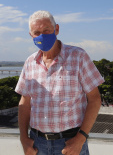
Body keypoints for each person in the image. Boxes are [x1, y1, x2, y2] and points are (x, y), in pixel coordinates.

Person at [15, 10, 104, 155]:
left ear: (56, 29)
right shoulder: (30, 62)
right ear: (31, 35)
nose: (42, 36)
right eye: (36, 32)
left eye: (46, 30)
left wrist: (80, 139)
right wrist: (24, 139)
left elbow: (95, 99)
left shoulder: (78, 56)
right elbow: (24, 103)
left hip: (70, 142)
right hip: (37, 144)